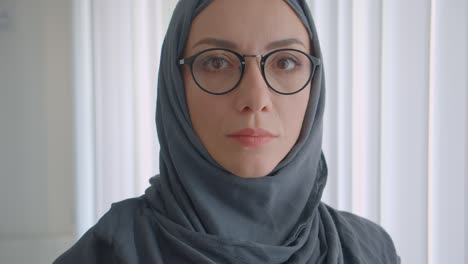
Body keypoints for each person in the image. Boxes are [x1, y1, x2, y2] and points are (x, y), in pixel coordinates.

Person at [54, 0, 400, 263]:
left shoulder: (370, 251)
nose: (255, 99)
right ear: (176, 87)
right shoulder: (107, 253)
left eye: (285, 62)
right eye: (216, 62)